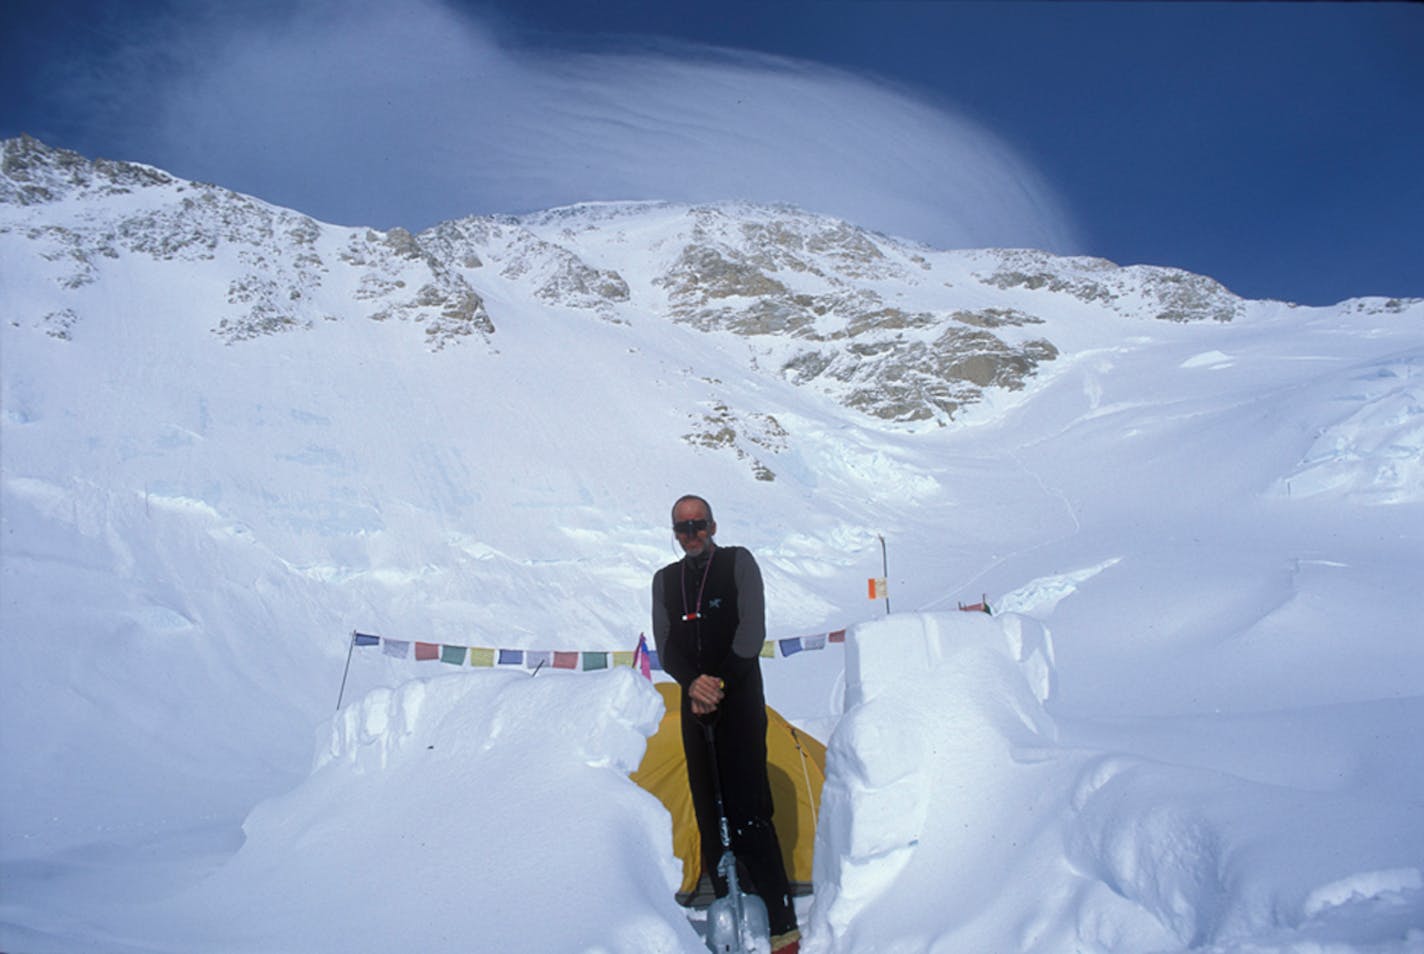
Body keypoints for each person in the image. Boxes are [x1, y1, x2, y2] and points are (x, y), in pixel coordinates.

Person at [651, 494, 799, 954]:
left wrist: (715, 684)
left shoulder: (738, 563)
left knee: (750, 809)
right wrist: (692, 684)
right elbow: (666, 642)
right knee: (706, 806)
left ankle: (780, 926)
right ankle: (729, 920)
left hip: (738, 702)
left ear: (713, 526)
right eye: (682, 528)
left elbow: (751, 631)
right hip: (694, 706)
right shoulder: (665, 580)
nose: (691, 535)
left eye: (699, 525)